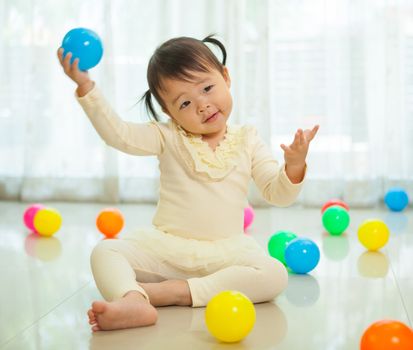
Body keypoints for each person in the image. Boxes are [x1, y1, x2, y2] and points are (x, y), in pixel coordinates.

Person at [57, 35, 319, 332]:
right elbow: (119, 134)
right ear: (169, 112)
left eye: (207, 88)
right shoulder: (167, 135)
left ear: (226, 77)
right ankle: (133, 299)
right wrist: (86, 87)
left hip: (227, 254)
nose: (203, 105)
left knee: (274, 275)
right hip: (168, 250)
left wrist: (294, 165)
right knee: (104, 252)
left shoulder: (248, 139)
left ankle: (173, 292)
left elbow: (277, 193)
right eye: (185, 103)